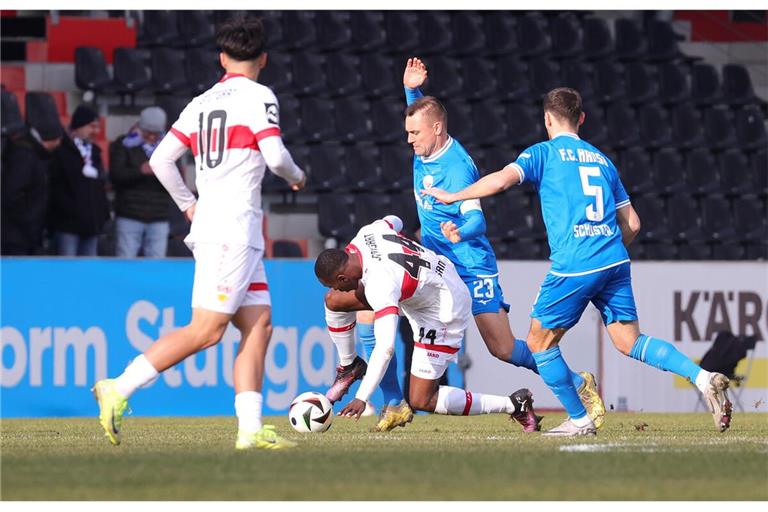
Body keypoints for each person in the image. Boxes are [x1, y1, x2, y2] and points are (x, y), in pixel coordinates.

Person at [422, 87, 733, 436]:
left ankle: (581, 419)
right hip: (614, 260)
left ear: (547, 119)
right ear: (581, 118)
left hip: (575, 262)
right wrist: (607, 248)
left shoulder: (543, 153)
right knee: (629, 341)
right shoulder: (603, 160)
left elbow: (500, 182)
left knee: (539, 343)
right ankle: (702, 377)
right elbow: (633, 224)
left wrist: (454, 195)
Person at [92, 16, 306, 450]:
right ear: (263, 59)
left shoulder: (201, 102)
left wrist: (189, 204)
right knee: (206, 330)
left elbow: (162, 160)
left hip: (224, 227)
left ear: (222, 57)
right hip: (233, 229)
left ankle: (249, 430)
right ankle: (118, 387)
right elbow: (276, 156)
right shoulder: (260, 96)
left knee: (259, 324)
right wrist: (297, 176)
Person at [399, 57, 604, 428]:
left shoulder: (458, 168)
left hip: (469, 265)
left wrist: (461, 233)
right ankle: (393, 399)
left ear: (438, 129)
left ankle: (576, 383)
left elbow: (477, 217)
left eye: (415, 134)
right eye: (409, 133)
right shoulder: (425, 142)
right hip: (436, 264)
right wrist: (412, 89)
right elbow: (420, 113)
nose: (409, 140)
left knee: (503, 348)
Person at [316, 216, 539, 431]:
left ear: (343, 278)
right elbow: (395, 220)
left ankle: (514, 404)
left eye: (334, 284)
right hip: (421, 289)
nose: (336, 289)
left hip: (442, 310)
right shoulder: (367, 233)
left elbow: (385, 348)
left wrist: (361, 397)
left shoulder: (379, 284)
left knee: (422, 399)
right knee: (334, 301)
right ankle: (349, 366)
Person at [110, 106, 176, 258]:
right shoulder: (123, 144)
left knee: (156, 265)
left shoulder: (169, 148)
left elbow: (177, 180)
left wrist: (162, 171)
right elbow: (116, 176)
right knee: (126, 261)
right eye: (148, 133)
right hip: (129, 215)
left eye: (156, 134)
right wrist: (140, 171)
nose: (152, 137)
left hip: (159, 216)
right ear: (140, 127)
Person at [48, 104, 110, 256]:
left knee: (89, 272)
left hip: (92, 225)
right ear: (79, 125)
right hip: (68, 225)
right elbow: (55, 187)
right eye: (91, 126)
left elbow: (100, 186)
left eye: (97, 127)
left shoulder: (95, 152)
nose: (96, 131)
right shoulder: (61, 152)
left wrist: (102, 214)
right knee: (67, 271)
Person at [1, 121, 62, 255]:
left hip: (26, 235)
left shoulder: (34, 157)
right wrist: (28, 220)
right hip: (15, 237)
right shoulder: (25, 157)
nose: (59, 144)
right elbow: (11, 194)